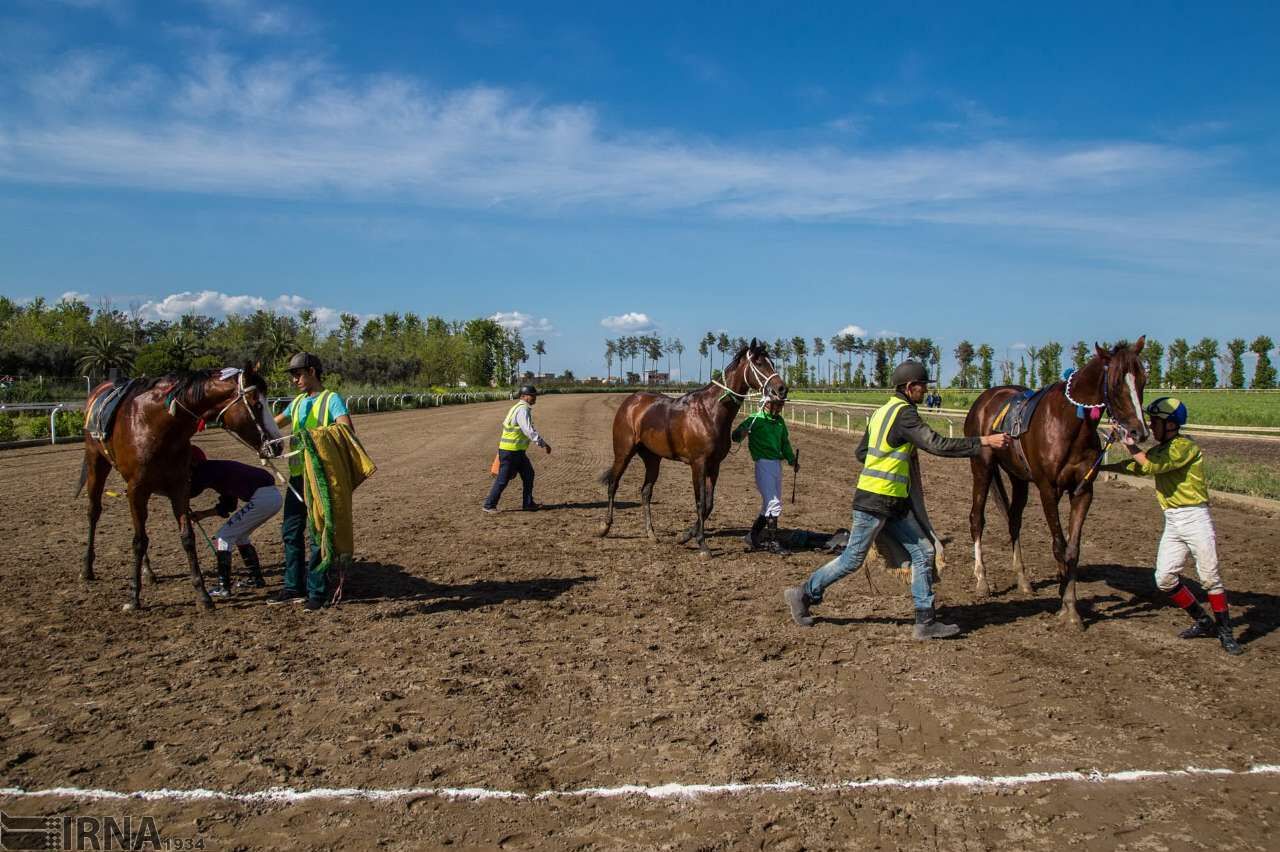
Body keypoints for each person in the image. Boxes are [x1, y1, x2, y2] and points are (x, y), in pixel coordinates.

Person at [783, 361, 1011, 639]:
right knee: (852, 559)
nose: (925, 391)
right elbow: (936, 444)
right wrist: (985, 441)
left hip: (891, 501)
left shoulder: (881, 412)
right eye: (922, 386)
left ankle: (925, 621)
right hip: (877, 501)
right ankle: (803, 594)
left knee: (924, 552)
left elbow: (861, 452)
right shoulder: (905, 415)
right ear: (909, 387)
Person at [1103, 398, 1243, 655]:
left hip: (1195, 518)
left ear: (1170, 424)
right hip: (1173, 521)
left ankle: (1226, 633)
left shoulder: (1183, 447)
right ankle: (1203, 621)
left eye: (1155, 422)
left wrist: (1130, 444)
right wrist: (1097, 467)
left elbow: (1153, 466)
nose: (1151, 427)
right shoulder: (1161, 448)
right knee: (1165, 579)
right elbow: (1136, 467)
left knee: (1210, 578)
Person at [271, 352, 353, 610]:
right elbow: (274, 427)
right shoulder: (295, 404)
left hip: (321, 480)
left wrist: (314, 435)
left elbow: (346, 428)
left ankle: (316, 591)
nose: (295, 380)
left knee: (318, 534)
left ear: (312, 372)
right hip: (297, 478)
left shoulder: (332, 399)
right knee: (291, 532)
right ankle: (291, 586)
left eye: (298, 374)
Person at [188, 446, 283, 597]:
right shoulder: (217, 470)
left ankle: (223, 587)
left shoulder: (206, 469)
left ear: (192, 463)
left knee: (224, 536)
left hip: (263, 498)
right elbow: (229, 505)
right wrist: (203, 514)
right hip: (271, 497)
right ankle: (256, 579)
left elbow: (192, 490)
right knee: (240, 536)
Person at [732, 397, 798, 553]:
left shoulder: (780, 421)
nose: (781, 407)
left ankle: (752, 536)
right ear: (767, 403)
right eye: (778, 404)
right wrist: (742, 432)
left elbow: (784, 443)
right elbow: (735, 437)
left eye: (782, 404)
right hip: (763, 464)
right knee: (773, 502)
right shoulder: (754, 419)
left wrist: (791, 459)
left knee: (768, 504)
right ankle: (772, 542)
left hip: (776, 464)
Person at [483, 385, 551, 513]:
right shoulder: (522, 410)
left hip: (517, 451)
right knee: (502, 480)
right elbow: (528, 430)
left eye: (535, 395)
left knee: (529, 475)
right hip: (510, 452)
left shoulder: (518, 408)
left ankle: (528, 503)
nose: (534, 397)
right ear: (523, 396)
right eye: (532, 395)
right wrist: (543, 444)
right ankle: (489, 505)